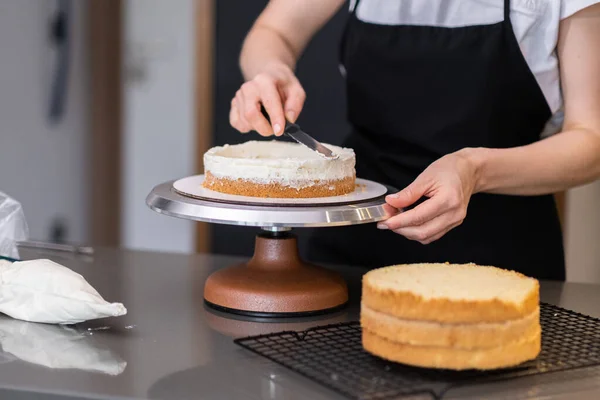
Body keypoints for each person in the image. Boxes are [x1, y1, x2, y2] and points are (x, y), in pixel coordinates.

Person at [228, 0, 600, 280]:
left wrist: (474, 169)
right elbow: (272, 33)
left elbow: (591, 138)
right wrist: (271, 70)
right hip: (355, 252)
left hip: (501, 260)